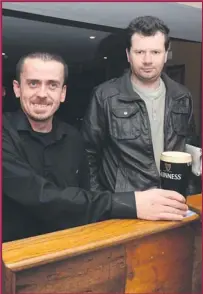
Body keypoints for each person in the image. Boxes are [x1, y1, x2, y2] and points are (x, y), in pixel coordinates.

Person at [3, 52, 188, 242]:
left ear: (63, 93)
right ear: (17, 88)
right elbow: (40, 196)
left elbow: (85, 196)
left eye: (52, 85)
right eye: (33, 83)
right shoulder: (4, 133)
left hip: (70, 250)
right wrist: (132, 203)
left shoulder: (73, 137)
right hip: (13, 259)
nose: (42, 94)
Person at [82, 16, 197, 195]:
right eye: (140, 52)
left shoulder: (182, 95)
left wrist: (189, 193)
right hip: (126, 206)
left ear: (166, 54)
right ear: (128, 55)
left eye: (155, 52)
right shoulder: (105, 95)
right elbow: (88, 154)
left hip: (173, 199)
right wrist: (103, 203)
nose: (147, 60)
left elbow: (188, 148)